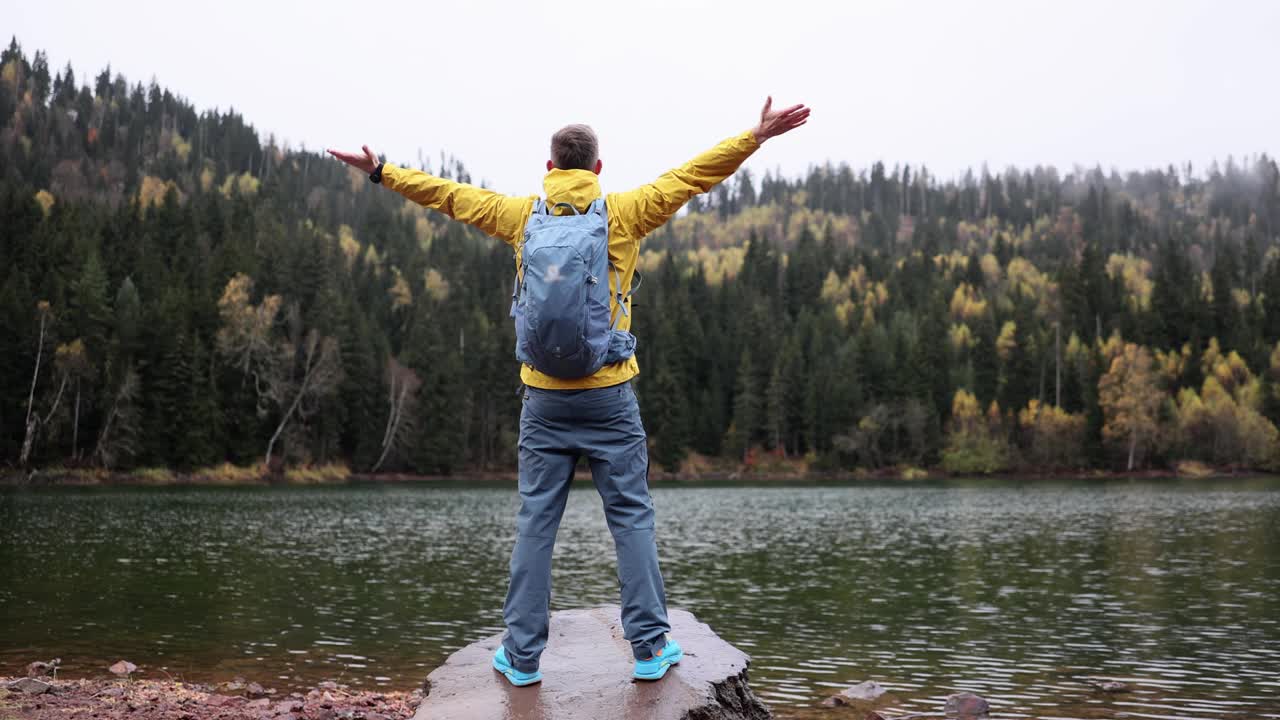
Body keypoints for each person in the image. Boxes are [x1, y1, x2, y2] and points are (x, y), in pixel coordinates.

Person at [328, 96, 810, 686]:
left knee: (536, 523)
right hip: (610, 395)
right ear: (598, 169)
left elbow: (447, 195)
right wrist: (755, 136)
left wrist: (381, 171)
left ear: (551, 166)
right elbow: (693, 176)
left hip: (545, 399)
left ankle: (523, 658)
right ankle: (650, 649)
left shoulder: (520, 215)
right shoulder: (624, 212)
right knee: (630, 517)